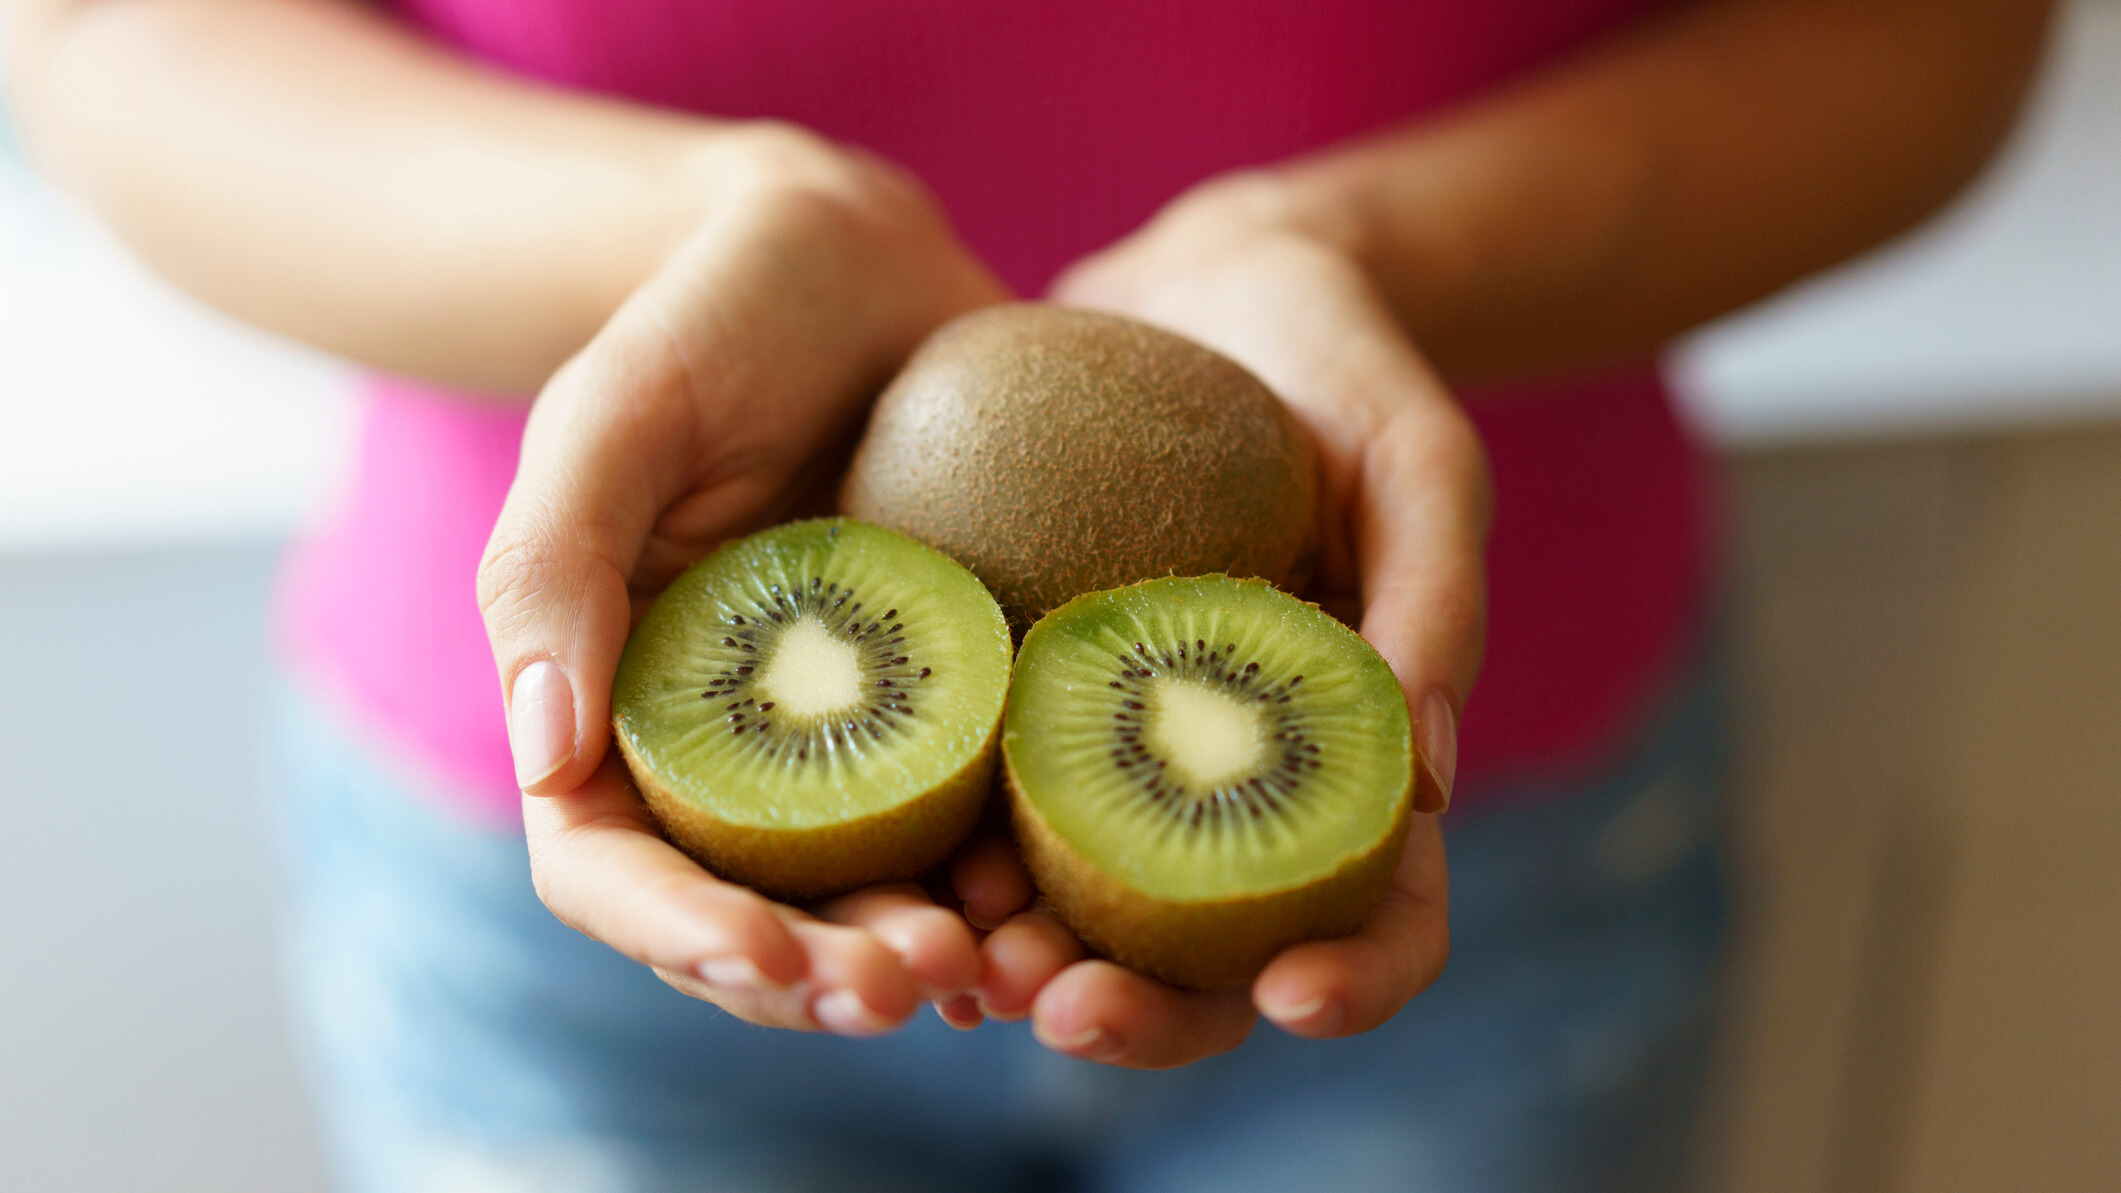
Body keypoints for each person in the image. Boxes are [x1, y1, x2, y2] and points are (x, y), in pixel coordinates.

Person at [4, 0, 2051, 1188]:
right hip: (582, 874)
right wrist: (694, 234)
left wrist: (1356, 248)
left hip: (1474, 835)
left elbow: (1921, 33)